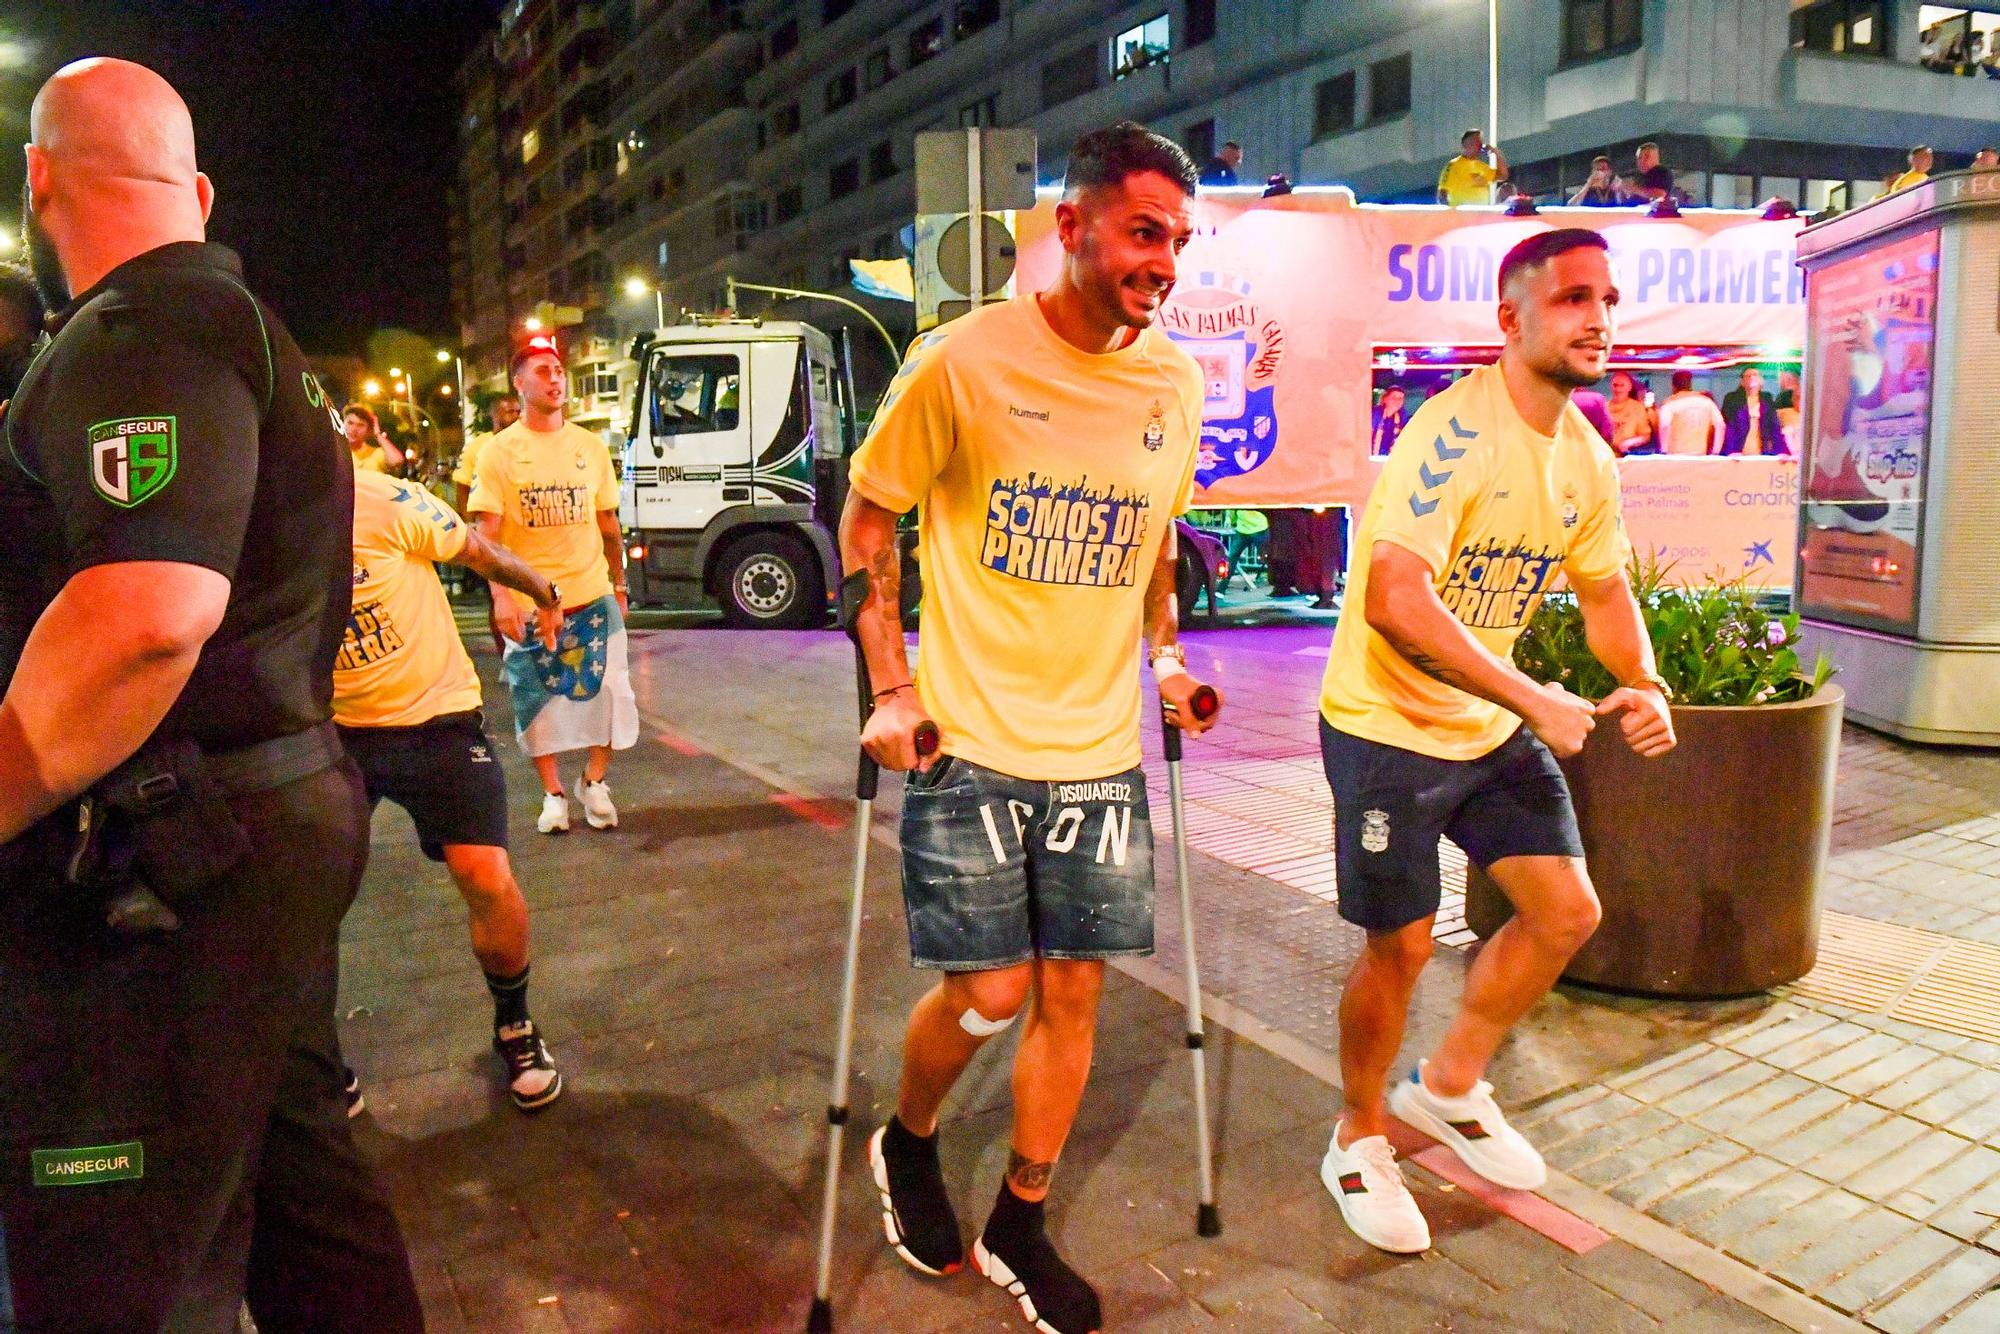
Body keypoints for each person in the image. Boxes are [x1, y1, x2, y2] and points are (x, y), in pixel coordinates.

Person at [0, 57, 422, 1328]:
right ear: (195, 187)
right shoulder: (247, 331)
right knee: (295, 1184)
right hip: (259, 823)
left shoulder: (143, 328)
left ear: (38, 181)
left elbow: (145, 615)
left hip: (175, 858)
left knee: (118, 1252)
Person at [840, 120, 1218, 1334]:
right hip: (967, 736)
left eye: (1179, 240)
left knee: (1074, 996)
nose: (1163, 261)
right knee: (992, 991)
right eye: (1143, 231)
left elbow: (1157, 538)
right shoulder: (962, 361)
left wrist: (1165, 659)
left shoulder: (1173, 380)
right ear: (1073, 226)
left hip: (1100, 750)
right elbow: (866, 522)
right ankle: (907, 1141)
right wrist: (889, 687)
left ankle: (1020, 1212)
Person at [1316, 227, 1675, 1254]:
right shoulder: (1451, 433)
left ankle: (1447, 1086)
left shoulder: (1585, 455)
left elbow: (1603, 589)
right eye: (1570, 298)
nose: (1597, 317)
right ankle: (1355, 1135)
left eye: (1605, 297)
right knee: (1401, 944)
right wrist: (1534, 696)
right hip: (1385, 727)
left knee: (1563, 910)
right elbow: (1394, 597)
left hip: (1485, 725)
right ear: (1509, 320)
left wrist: (1638, 680)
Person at [334, 467, 570, 1112]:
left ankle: (516, 1026)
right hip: (328, 731)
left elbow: (477, 548)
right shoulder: (240, 514)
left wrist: (543, 591)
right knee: (305, 898)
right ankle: (317, 1060)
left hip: (436, 719)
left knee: (486, 877)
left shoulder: (377, 498)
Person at [469, 338, 636, 833]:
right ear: (519, 383)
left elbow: (608, 524)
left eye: (559, 369)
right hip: (530, 604)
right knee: (535, 702)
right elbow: (487, 536)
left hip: (592, 593)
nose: (555, 378)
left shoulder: (589, 447)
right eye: (542, 371)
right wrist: (501, 597)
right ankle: (554, 794)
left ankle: (594, 781)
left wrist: (620, 585)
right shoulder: (497, 453)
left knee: (611, 695)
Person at [454, 392, 521, 513]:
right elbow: (463, 488)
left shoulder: (526, 443)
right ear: (494, 414)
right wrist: (470, 523)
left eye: (518, 412)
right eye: (510, 412)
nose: (516, 416)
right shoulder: (477, 446)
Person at [1655, 370, 1725, 455]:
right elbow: (1721, 425)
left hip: (1676, 455)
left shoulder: (1670, 403)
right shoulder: (1706, 401)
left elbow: (1665, 425)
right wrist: (1716, 451)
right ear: (1690, 384)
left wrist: (1664, 450)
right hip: (1700, 454)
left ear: (1673, 386)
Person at [1720, 367, 1785, 456]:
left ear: (1761, 381)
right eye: (1747, 376)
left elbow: (1774, 426)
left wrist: (1780, 451)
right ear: (1742, 382)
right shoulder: (1732, 398)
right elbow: (1729, 426)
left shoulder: (1767, 398)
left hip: (1762, 449)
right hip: (1738, 449)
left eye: (1755, 375)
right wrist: (1731, 450)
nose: (1751, 378)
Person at [1438, 129, 1507, 207]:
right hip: (1461, 215)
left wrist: (1496, 153)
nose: (1480, 145)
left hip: (1481, 215)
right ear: (1465, 144)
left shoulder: (1482, 166)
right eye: (1476, 142)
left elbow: (1503, 175)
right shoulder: (1453, 165)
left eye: (1480, 142)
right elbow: (1442, 194)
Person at [343, 401, 405, 475]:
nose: (354, 429)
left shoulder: (376, 454)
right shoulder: (334, 452)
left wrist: (377, 434)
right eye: (350, 423)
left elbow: (396, 461)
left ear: (369, 430)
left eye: (360, 425)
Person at [1605, 370, 1656, 455]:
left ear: (1629, 387)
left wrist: (1629, 443)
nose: (1618, 389)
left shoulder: (1637, 408)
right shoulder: (1604, 407)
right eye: (1615, 385)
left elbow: (1645, 436)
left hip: (1626, 457)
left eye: (1622, 385)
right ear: (1611, 386)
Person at [1371, 384, 1408, 455]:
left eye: (1400, 398)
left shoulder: (1402, 417)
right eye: (1394, 397)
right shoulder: (1375, 414)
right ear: (1385, 399)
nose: (1397, 401)